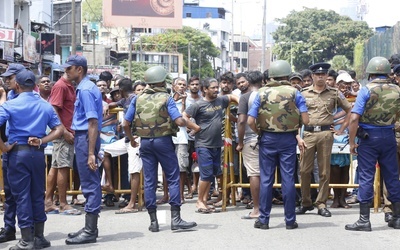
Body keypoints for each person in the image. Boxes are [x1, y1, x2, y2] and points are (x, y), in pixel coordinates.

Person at [123, 65, 197, 232]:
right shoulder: (166, 98)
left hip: (145, 142)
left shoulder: (137, 98)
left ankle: (153, 222)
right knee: (172, 177)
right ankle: (176, 219)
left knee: (149, 181)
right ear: (162, 82)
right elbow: (178, 121)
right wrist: (189, 123)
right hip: (163, 142)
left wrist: (132, 140)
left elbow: (125, 123)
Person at [0, 69, 64, 249]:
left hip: (17, 154)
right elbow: (58, 129)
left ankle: (26, 240)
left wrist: (4, 147)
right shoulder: (45, 105)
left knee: (21, 197)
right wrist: (42, 140)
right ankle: (39, 238)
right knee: (37, 195)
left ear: (18, 86)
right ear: (35, 85)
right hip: (37, 153)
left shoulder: (10, 105)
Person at [247, 60, 309, 230]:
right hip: (288, 139)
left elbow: (250, 120)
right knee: (288, 179)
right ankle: (290, 220)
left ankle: (264, 220)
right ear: (287, 75)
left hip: (267, 139)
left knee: (266, 180)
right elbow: (306, 119)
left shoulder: (261, 93)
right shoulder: (295, 93)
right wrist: (295, 127)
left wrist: (260, 131)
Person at [345, 57, 400, 231]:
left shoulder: (366, 90)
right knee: (392, 176)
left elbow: (354, 118)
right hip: (389, 135)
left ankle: (364, 220)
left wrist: (352, 141)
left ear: (370, 72)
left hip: (369, 137)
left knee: (366, 176)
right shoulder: (397, 90)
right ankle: (397, 217)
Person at [296, 62, 352, 218]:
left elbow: (350, 110)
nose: (320, 77)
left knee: (324, 171)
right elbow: (295, 115)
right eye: (317, 74)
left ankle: (321, 203)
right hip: (308, 134)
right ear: (312, 76)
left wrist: (341, 129)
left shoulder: (334, 93)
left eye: (323, 74)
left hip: (326, 134)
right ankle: (306, 202)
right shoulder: (303, 93)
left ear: (327, 76)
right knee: (304, 170)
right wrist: (298, 136)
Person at [62, 55, 103, 245]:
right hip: (84, 137)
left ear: (79, 69)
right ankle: (89, 226)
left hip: (86, 137)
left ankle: (90, 230)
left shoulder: (86, 90)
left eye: (69, 69)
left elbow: (92, 122)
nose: (66, 72)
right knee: (89, 182)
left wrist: (91, 152)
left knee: (90, 183)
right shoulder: (85, 87)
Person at [183, 77, 239, 213]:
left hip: (216, 145)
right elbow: (183, 116)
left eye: (216, 87)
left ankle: (204, 202)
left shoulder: (221, 100)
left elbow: (232, 96)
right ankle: (199, 202)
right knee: (206, 175)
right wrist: (194, 127)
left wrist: (240, 105)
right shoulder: (198, 105)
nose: (216, 90)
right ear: (205, 89)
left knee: (212, 175)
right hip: (203, 145)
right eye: (212, 88)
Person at [102, 78, 143, 214]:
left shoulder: (134, 99)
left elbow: (128, 122)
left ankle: (132, 203)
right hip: (128, 138)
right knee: (106, 151)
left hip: (135, 138)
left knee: (134, 171)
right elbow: (115, 103)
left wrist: (131, 138)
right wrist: (108, 106)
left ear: (120, 90)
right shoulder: (125, 99)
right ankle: (109, 184)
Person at [44, 72, 79, 215]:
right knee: (62, 166)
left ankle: (48, 201)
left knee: (56, 166)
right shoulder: (61, 86)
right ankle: (63, 203)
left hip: (64, 131)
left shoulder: (68, 86)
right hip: (64, 132)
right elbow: (54, 109)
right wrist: (64, 131)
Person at [0, 64, 26, 244]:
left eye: (10, 78)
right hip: (9, 148)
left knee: (24, 194)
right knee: (9, 193)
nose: (6, 81)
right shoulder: (10, 95)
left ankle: (30, 233)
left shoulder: (28, 96)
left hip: (22, 149)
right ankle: (9, 228)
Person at [236, 70, 263, 219]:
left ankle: (257, 209)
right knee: (268, 173)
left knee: (254, 174)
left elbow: (241, 121)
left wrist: (240, 142)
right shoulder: (268, 94)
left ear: (248, 82)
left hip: (252, 138)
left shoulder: (245, 97)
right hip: (271, 138)